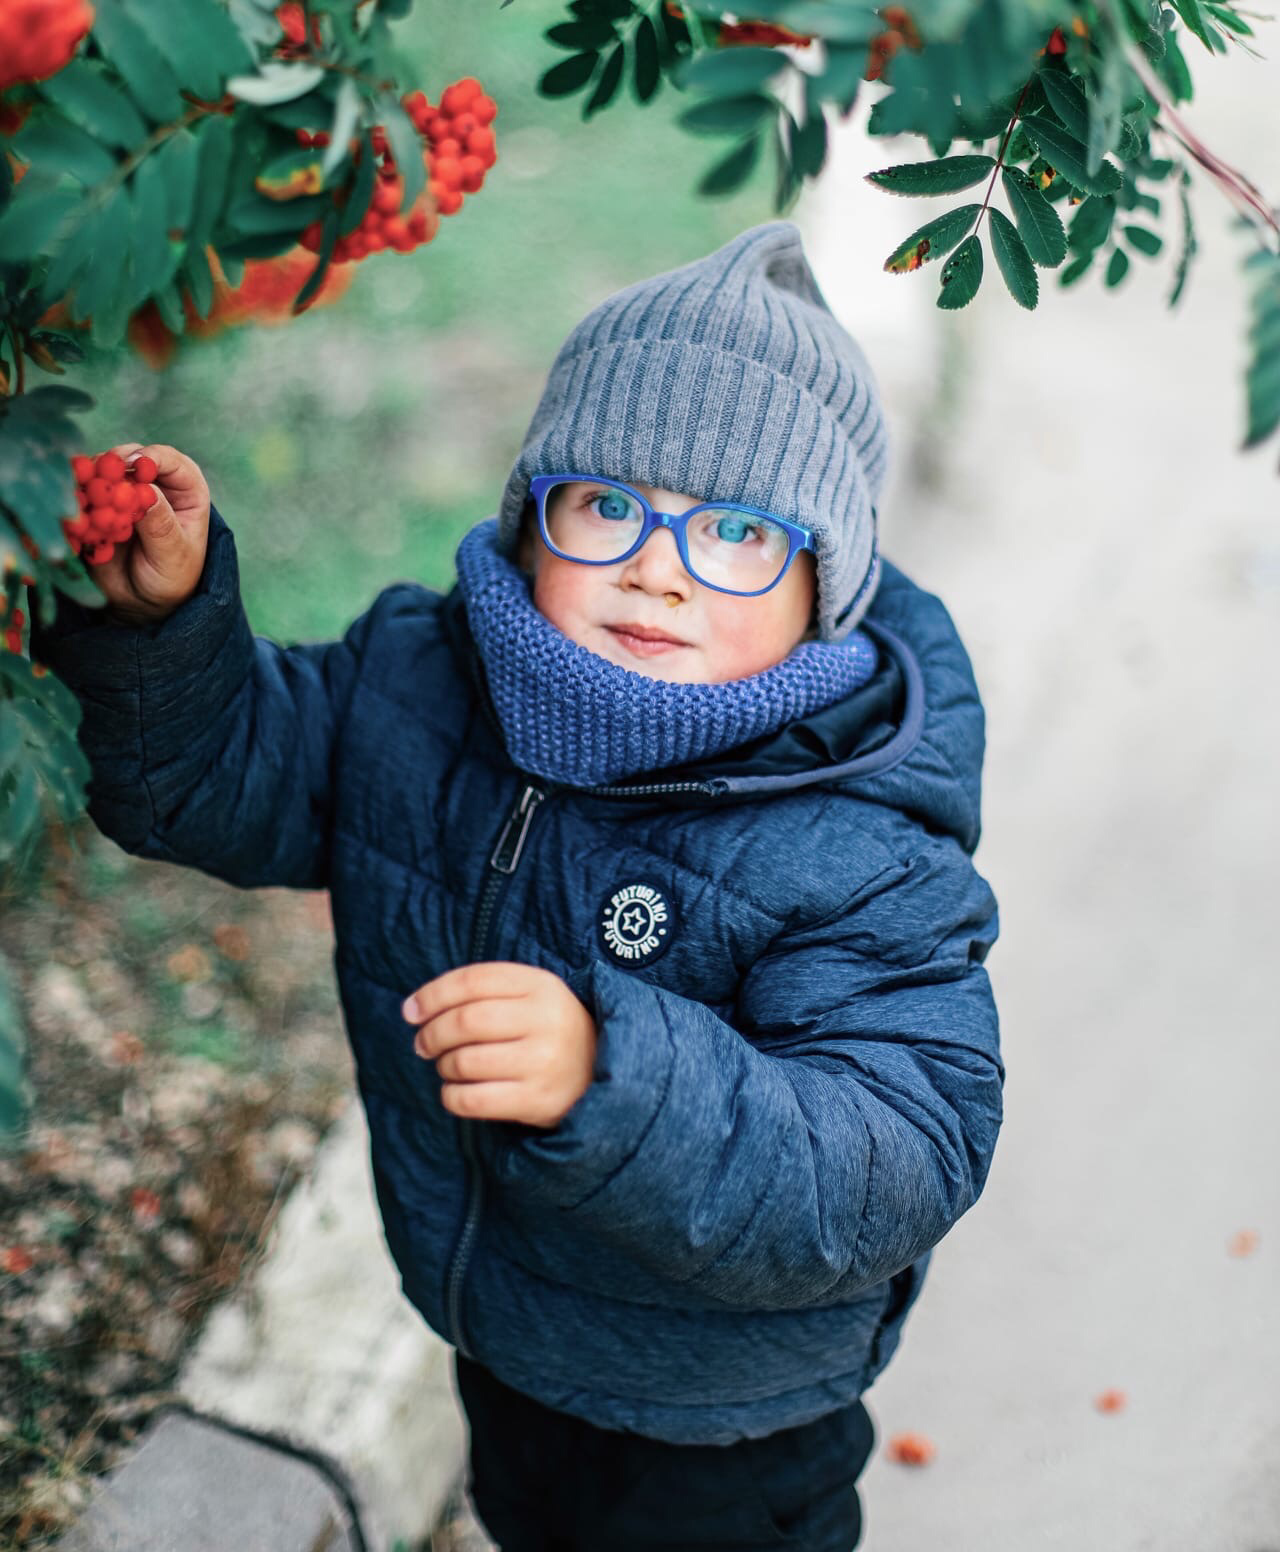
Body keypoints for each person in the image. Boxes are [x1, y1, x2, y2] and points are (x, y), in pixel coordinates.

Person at [29, 219, 1005, 1552]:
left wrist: (614, 1073)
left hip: (722, 1417)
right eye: (608, 505)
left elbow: (903, 1146)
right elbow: (217, 783)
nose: (656, 567)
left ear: (823, 585)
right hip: (502, 1331)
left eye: (735, 530)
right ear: (530, 515)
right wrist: (164, 626)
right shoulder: (424, 683)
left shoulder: (854, 844)